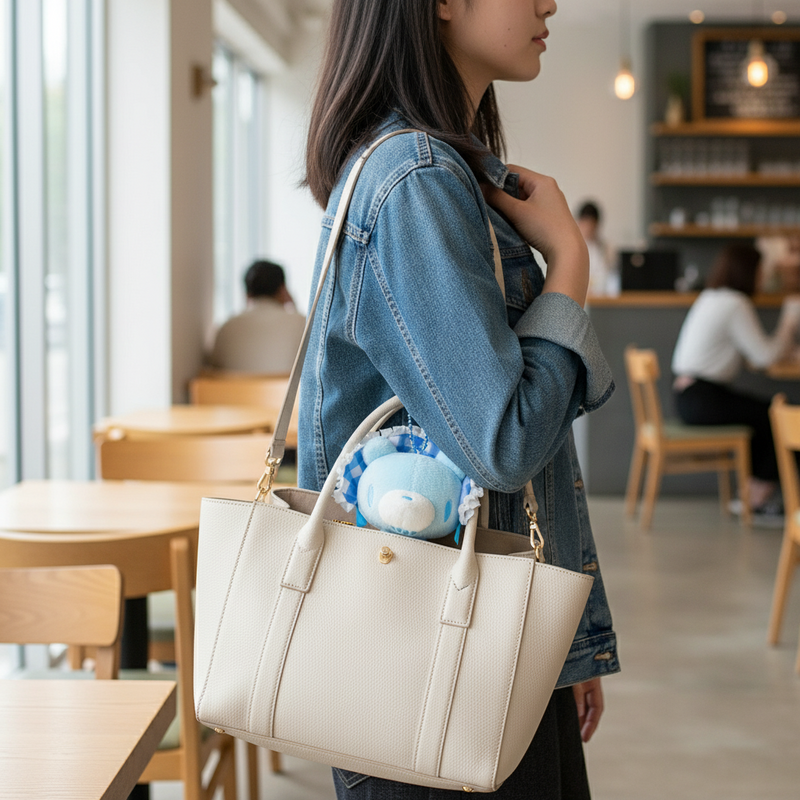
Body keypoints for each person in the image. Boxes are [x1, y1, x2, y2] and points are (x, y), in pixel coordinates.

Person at [299, 1, 619, 798]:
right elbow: (502, 442)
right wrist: (569, 258)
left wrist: (566, 644)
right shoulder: (414, 179)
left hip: (469, 648)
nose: (550, 4)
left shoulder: (433, 170)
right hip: (434, 667)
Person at [672, 243, 800, 518]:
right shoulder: (735, 302)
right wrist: (789, 320)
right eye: (762, 271)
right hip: (703, 398)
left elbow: (755, 354)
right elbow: (765, 357)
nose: (764, 278)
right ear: (749, 270)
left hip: (690, 396)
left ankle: (754, 492)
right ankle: (758, 498)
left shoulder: (713, 296)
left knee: (765, 414)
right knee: (777, 415)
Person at [210, 260, 305, 374]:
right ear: (283, 290)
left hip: (234, 392)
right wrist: (293, 307)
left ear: (247, 294)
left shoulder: (225, 328)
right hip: (283, 391)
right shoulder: (301, 323)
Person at [576, 200, 617, 297]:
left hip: (603, 300)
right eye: (585, 225)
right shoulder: (573, 248)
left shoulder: (608, 249)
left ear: (597, 225)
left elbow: (613, 277)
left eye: (591, 225)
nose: (588, 229)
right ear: (579, 223)